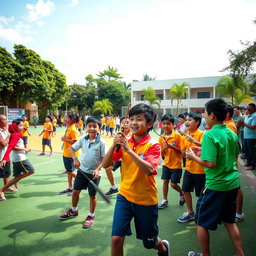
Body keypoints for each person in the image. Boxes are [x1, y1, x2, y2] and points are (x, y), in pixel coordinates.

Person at [102, 103, 170, 256]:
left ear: (149, 124)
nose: (133, 123)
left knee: (149, 242)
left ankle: (163, 248)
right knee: (116, 239)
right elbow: (106, 164)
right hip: (124, 196)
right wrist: (114, 145)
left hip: (145, 201)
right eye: (131, 119)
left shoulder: (153, 145)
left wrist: (128, 150)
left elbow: (150, 170)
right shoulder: (125, 141)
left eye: (139, 119)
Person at [186, 98, 244, 256]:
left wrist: (193, 157)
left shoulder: (209, 134)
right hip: (232, 184)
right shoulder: (231, 133)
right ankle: (240, 253)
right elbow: (229, 154)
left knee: (201, 223)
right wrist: (202, 151)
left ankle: (205, 254)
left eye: (204, 113)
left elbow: (210, 163)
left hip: (215, 186)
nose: (203, 116)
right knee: (229, 222)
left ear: (211, 115)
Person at [59, 116, 107, 229]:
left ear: (99, 128)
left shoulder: (102, 143)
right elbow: (71, 149)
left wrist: (97, 169)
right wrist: (75, 159)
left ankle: (91, 215)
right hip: (82, 170)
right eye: (89, 126)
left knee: (92, 195)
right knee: (75, 191)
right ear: (86, 127)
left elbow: (104, 159)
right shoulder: (83, 139)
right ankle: (74, 210)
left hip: (95, 173)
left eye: (95, 126)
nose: (92, 128)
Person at [177, 112, 205, 223]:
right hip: (188, 168)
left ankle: (201, 214)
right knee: (185, 190)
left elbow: (206, 148)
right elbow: (183, 153)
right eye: (186, 120)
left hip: (200, 170)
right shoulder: (185, 135)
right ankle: (190, 212)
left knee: (201, 194)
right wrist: (181, 150)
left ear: (197, 122)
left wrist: (193, 141)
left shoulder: (202, 134)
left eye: (190, 120)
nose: (187, 122)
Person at [0, 119, 35, 200]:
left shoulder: (15, 134)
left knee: (16, 176)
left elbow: (11, 145)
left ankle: (5, 188)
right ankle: (2, 190)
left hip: (16, 159)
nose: (22, 127)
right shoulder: (15, 135)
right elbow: (11, 147)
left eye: (22, 125)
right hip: (20, 159)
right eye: (20, 125)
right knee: (31, 171)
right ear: (15, 126)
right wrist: (24, 149)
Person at [157, 114, 185, 209]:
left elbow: (182, 152)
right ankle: (165, 200)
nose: (165, 126)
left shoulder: (177, 136)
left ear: (173, 125)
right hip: (166, 164)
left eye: (168, 124)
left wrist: (172, 147)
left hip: (176, 164)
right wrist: (164, 149)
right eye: (164, 124)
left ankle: (181, 193)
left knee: (173, 184)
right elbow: (160, 153)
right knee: (165, 182)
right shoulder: (161, 138)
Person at [105, 116, 130, 196]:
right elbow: (116, 154)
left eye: (127, 123)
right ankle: (114, 187)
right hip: (120, 159)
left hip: (128, 160)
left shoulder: (132, 136)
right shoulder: (119, 135)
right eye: (123, 123)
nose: (124, 124)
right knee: (108, 169)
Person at [59, 113, 79, 196]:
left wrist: (65, 139)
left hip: (71, 154)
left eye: (67, 117)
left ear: (72, 119)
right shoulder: (69, 128)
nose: (65, 119)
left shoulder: (73, 129)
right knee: (69, 172)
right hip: (66, 153)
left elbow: (76, 142)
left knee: (69, 172)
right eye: (65, 117)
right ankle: (70, 187)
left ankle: (81, 180)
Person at [0, 114, 17, 200]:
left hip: (5, 157)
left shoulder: (5, 130)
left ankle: (6, 188)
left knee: (6, 174)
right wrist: (8, 136)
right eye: (4, 120)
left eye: (6, 120)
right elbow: (3, 143)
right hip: (0, 158)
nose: (6, 121)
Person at [238, 103, 256, 170]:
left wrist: (244, 124)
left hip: (252, 137)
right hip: (246, 136)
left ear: (254, 109)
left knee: (252, 151)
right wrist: (241, 123)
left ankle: (253, 165)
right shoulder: (248, 116)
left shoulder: (254, 116)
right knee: (247, 151)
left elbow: (253, 127)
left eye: (249, 109)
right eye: (247, 108)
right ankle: (248, 163)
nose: (248, 110)